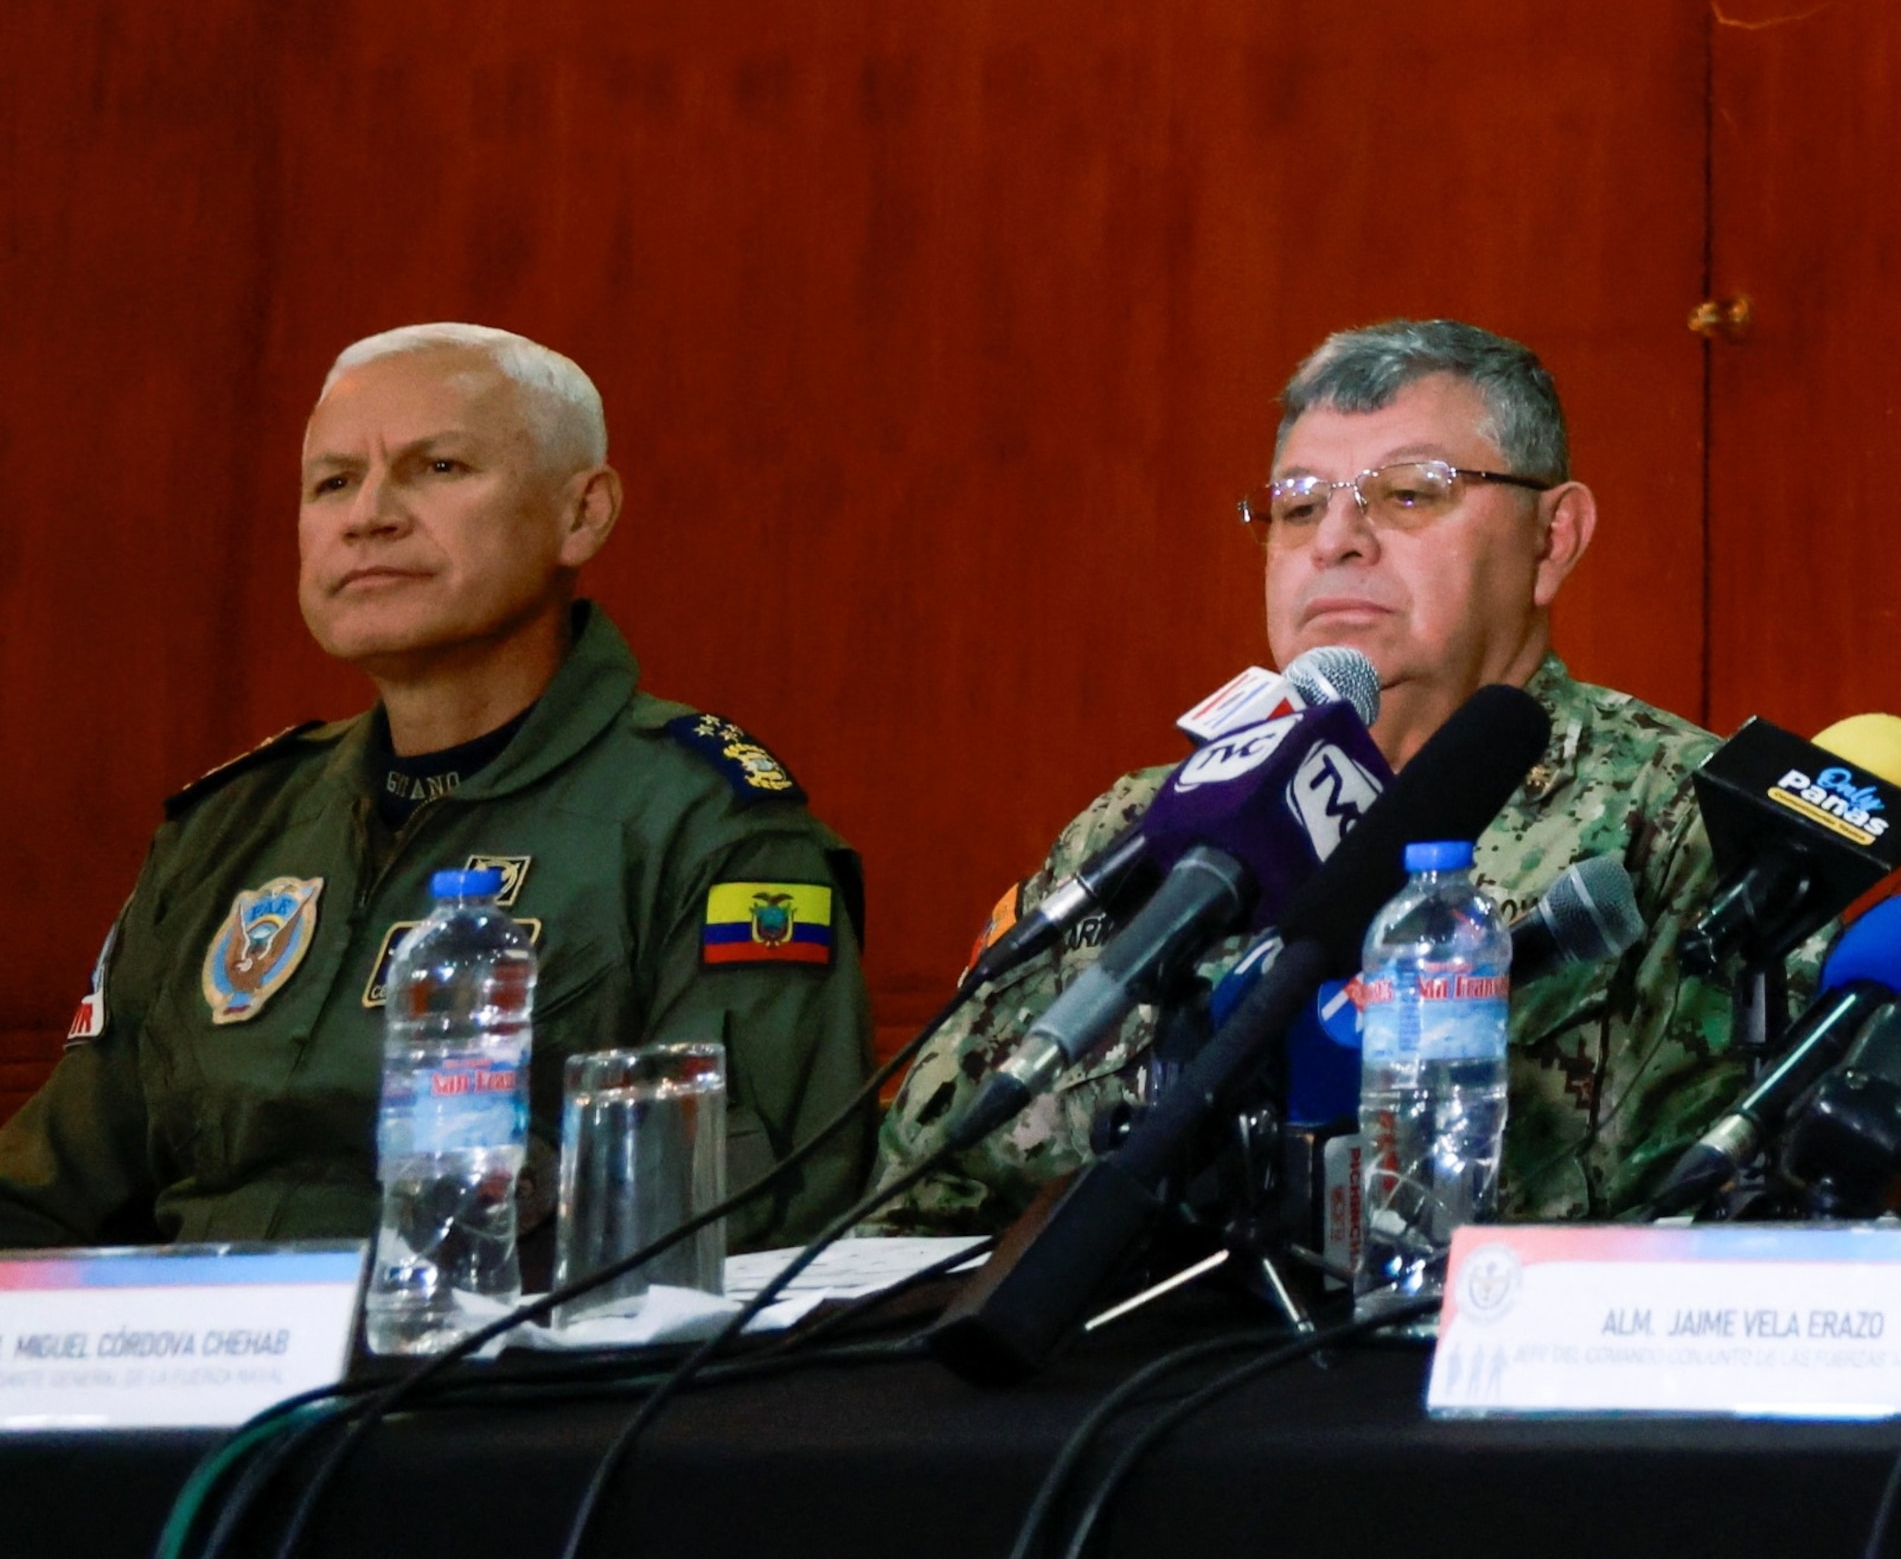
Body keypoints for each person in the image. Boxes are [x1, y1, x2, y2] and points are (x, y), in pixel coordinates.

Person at [0, 324, 876, 1249]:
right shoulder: (227, 828)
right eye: (333, 482)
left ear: (583, 514)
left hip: (499, 1372)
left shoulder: (703, 823)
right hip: (190, 1367)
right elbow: (51, 1188)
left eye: (439, 468)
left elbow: (745, 1221)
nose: (367, 515)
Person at [871, 319, 1733, 1231]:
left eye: (1407, 495)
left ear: (1553, 539)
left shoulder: (1683, 819)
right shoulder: (1143, 824)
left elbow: (1710, 1234)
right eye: (1297, 505)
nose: (1336, 542)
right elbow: (920, 1194)